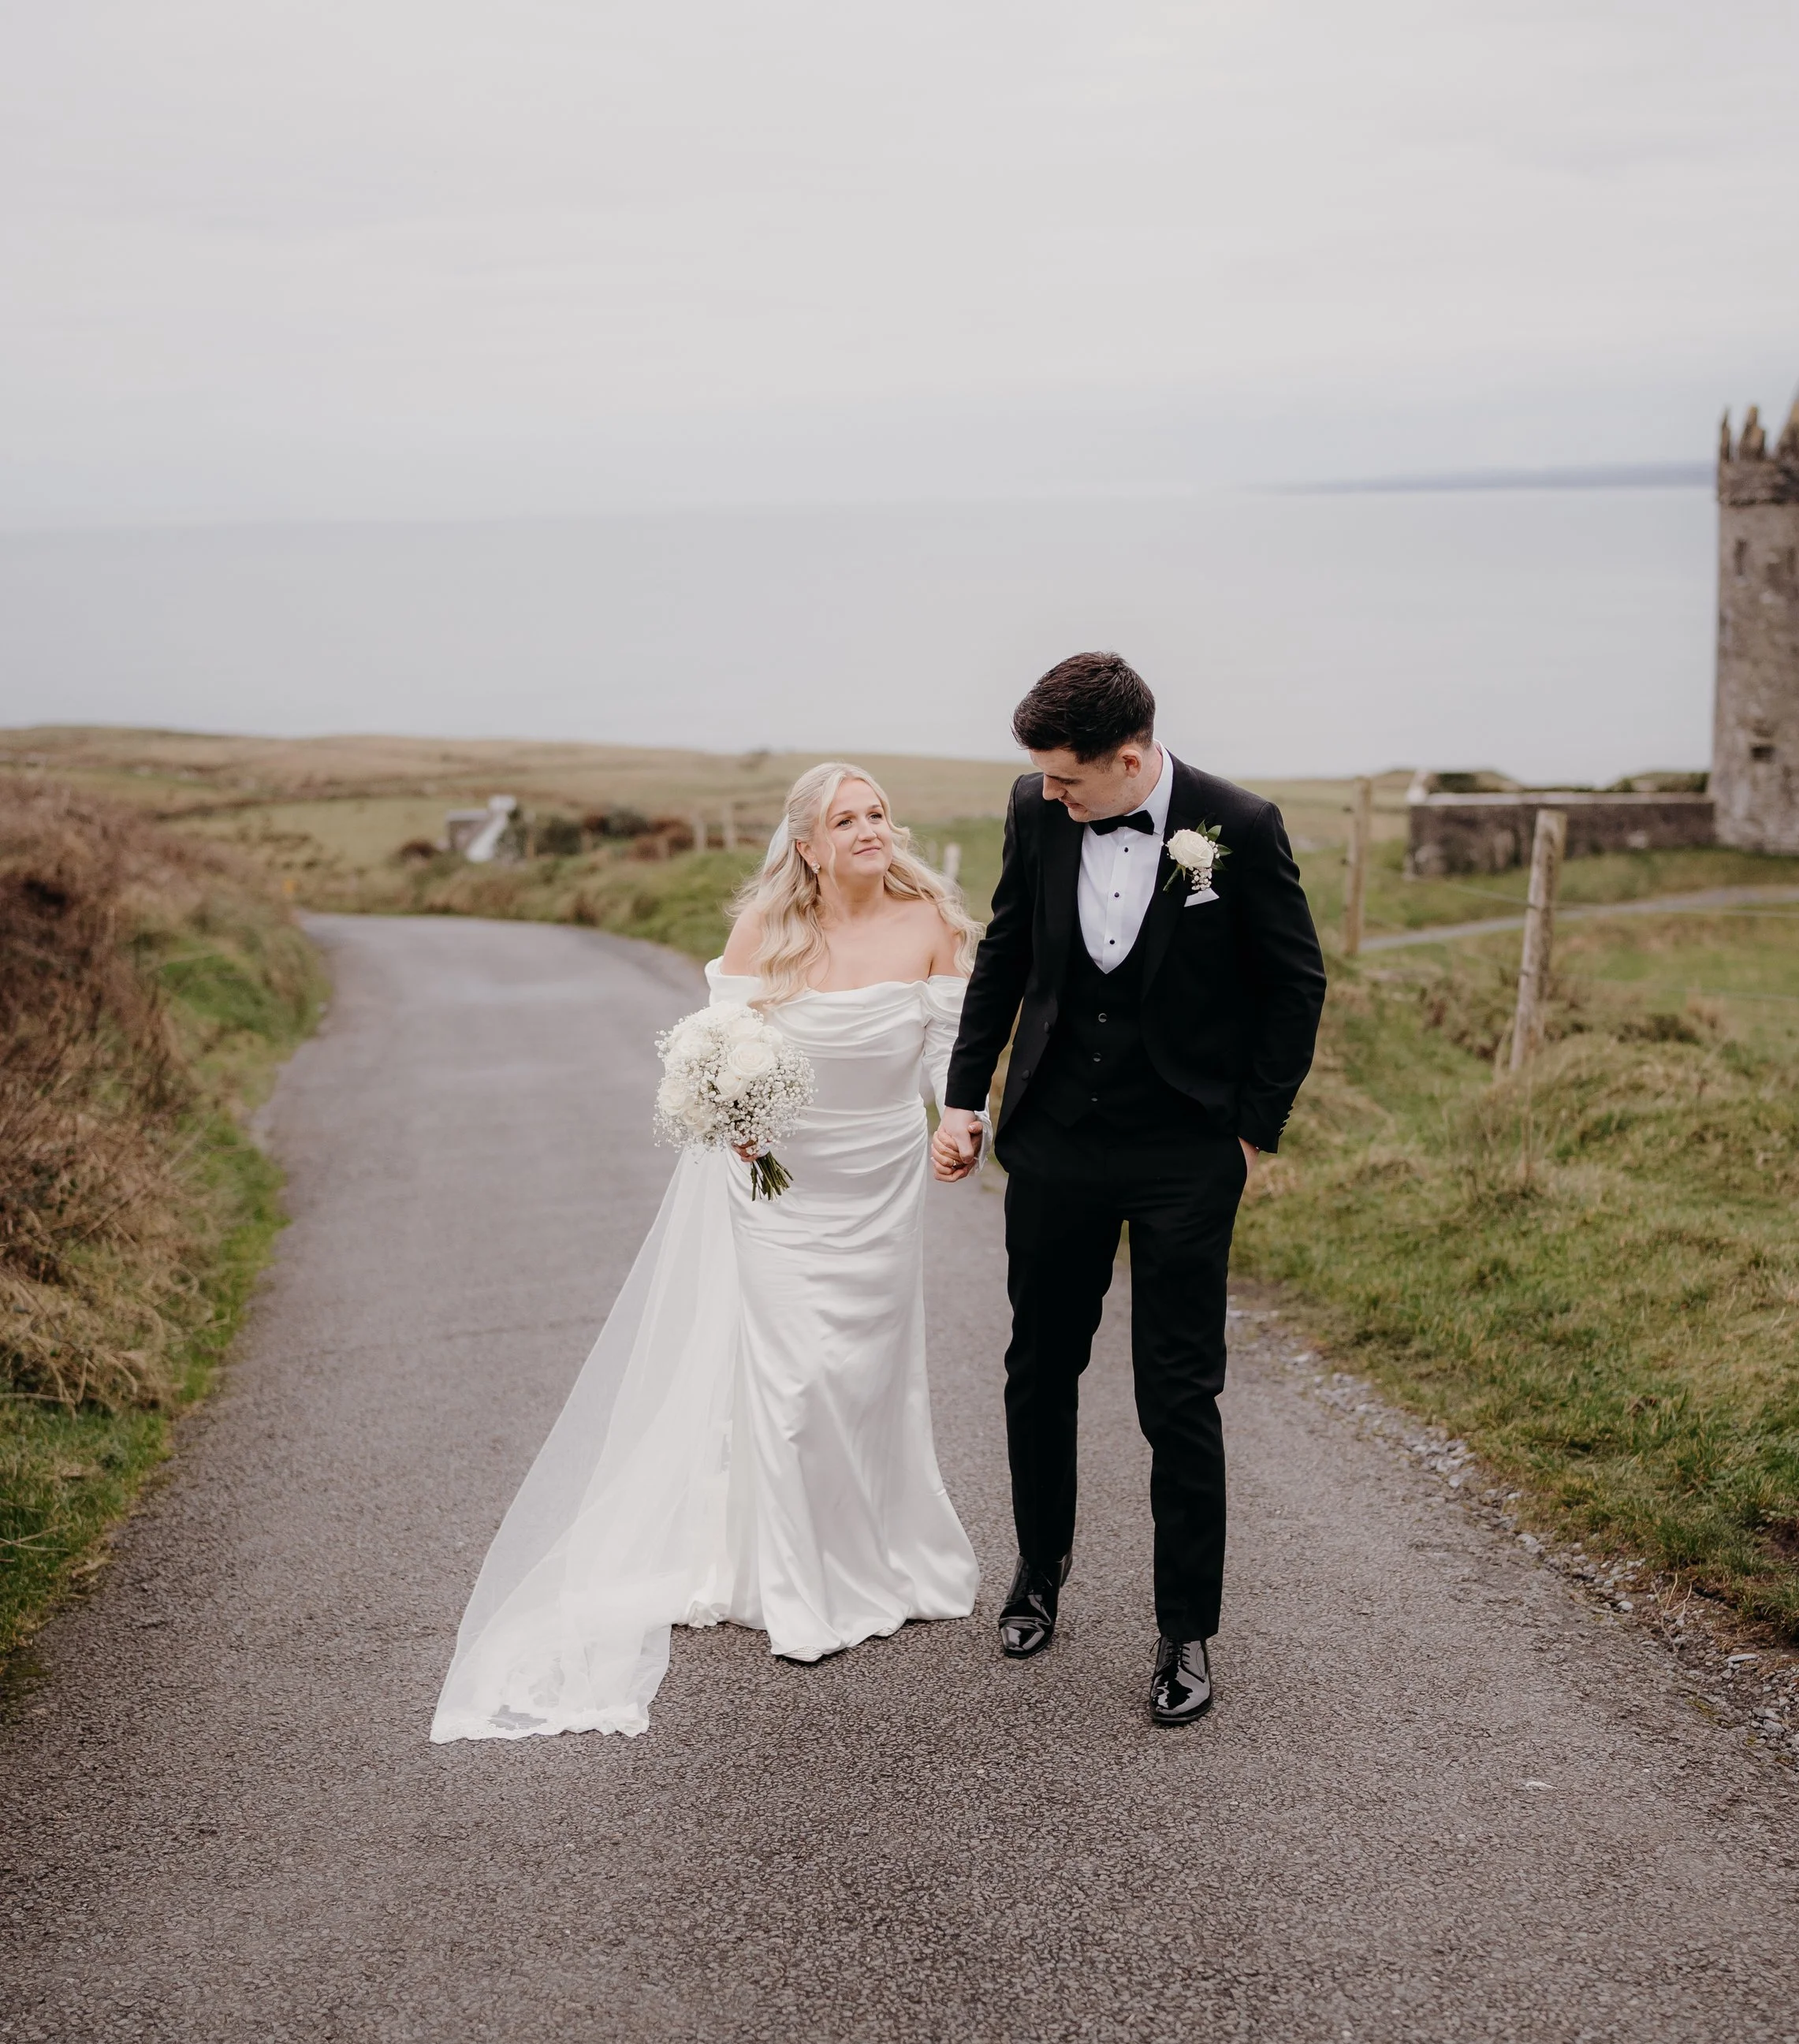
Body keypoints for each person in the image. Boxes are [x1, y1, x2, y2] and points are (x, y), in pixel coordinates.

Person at [431, 765, 981, 1742]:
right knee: (793, 1376)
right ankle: (798, 1583)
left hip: (879, 1178)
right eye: (844, 820)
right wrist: (732, 1116)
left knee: (866, 1373)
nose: (868, 830)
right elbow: (721, 1049)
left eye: (878, 815)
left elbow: (945, 1054)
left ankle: (881, 1552)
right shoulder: (765, 933)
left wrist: (959, 1122)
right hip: (780, 1182)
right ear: (806, 845)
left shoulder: (930, 923)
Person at [933, 653, 1324, 1726]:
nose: (1054, 798)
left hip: (1183, 1150)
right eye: (1045, 782)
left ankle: (1185, 1628)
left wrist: (1253, 1134)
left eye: (1070, 781)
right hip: (1055, 1136)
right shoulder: (1037, 806)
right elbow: (1007, 952)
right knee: (1038, 1364)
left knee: (1177, 1393)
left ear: (1131, 758)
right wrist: (965, 1097)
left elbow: (1297, 984)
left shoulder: (1234, 823)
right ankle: (1037, 1571)